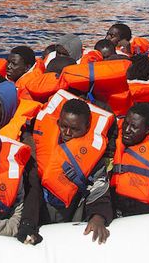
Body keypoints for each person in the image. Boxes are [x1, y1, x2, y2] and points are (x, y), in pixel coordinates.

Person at [32, 92, 114, 244]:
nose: (67, 133)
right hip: (37, 215)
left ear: (87, 127)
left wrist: (98, 217)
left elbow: (99, 191)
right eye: (63, 126)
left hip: (69, 218)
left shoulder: (94, 159)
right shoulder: (36, 145)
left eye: (74, 129)